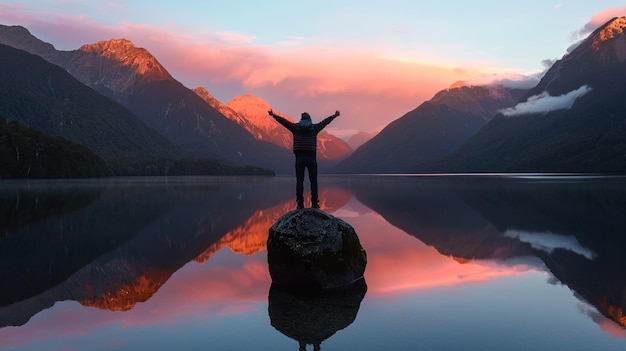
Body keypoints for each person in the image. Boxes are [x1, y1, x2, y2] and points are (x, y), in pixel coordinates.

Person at [268, 109, 340, 209]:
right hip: (311, 158)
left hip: (299, 158)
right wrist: (334, 115)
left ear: (301, 119)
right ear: (310, 119)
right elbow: (325, 122)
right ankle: (314, 203)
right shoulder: (314, 128)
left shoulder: (295, 128)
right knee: (313, 181)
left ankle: (300, 204)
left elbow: (284, 122)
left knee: (300, 181)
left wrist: (273, 115)